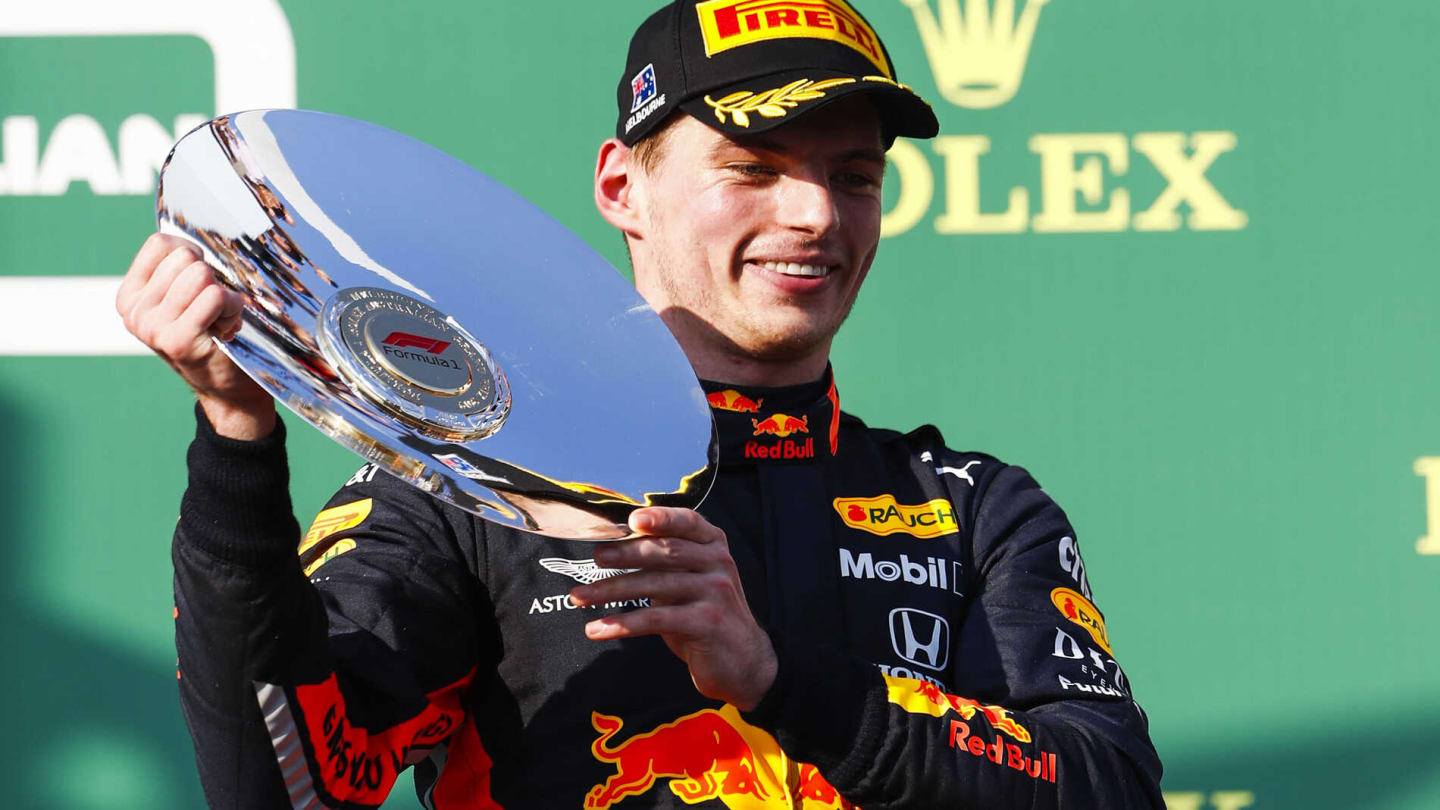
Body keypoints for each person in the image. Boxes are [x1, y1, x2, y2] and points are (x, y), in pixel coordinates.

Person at [117, 1, 1164, 807]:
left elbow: (1110, 787)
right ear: (623, 187)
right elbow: (283, 784)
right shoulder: (475, 490)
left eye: (854, 176)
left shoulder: (972, 508)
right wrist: (238, 445)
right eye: (752, 168)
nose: (813, 215)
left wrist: (780, 681)